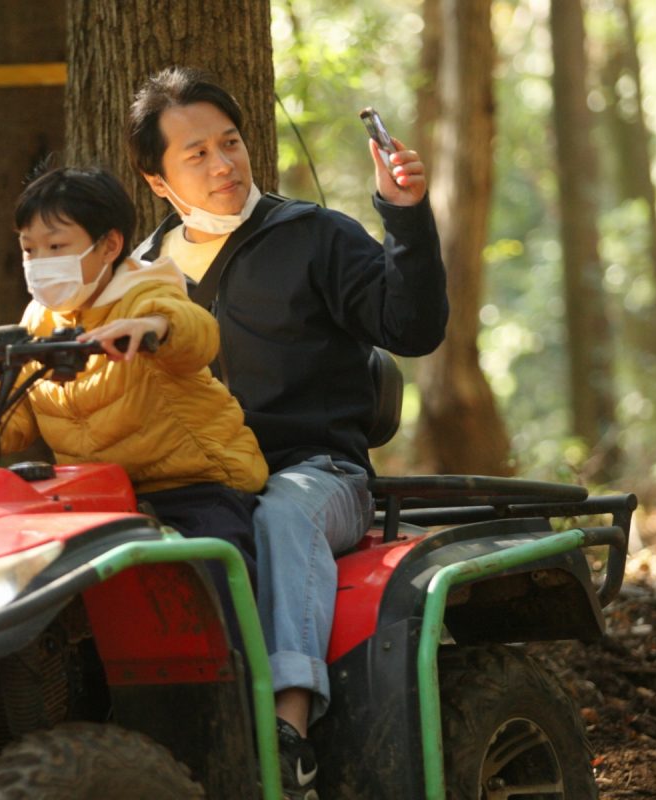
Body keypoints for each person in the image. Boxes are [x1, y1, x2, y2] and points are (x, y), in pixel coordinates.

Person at [126, 67, 448, 800]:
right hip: (192, 483)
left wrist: (405, 217)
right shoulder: (138, 276)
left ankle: (289, 728)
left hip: (316, 476)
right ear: (157, 180)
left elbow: (412, 328)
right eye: (197, 154)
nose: (223, 164)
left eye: (230, 143)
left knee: (280, 513)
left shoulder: (313, 235)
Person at [0, 165, 267, 588]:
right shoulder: (37, 319)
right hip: (95, 498)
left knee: (209, 587)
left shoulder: (145, 291)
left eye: (56, 246)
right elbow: (11, 415)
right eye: (29, 250)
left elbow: (196, 332)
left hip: (195, 489)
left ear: (109, 245)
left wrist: (154, 327)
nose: (40, 263)